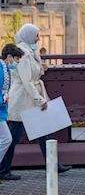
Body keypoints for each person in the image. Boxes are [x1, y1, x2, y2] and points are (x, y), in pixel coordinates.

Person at [0, 24, 72, 181]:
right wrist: (39, 100)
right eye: (36, 35)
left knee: (43, 133)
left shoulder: (29, 51)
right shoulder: (23, 53)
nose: (38, 38)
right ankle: (3, 169)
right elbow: (26, 80)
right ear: (29, 35)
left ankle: (53, 164)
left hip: (28, 99)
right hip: (23, 100)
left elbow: (31, 73)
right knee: (13, 137)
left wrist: (41, 68)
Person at [0, 44, 23, 188]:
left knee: (6, 139)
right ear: (9, 57)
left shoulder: (4, 69)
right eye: (16, 59)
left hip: (1, 111)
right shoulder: (2, 71)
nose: (17, 62)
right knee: (6, 139)